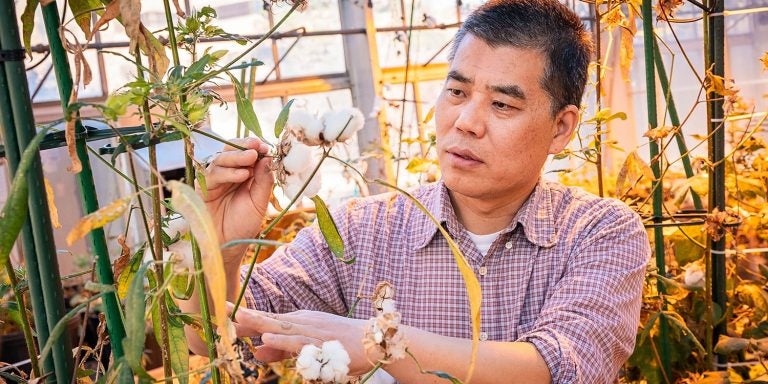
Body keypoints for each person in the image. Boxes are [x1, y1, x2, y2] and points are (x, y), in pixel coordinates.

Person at [183, 0, 650, 382]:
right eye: (457, 92)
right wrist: (218, 245)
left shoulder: (599, 232)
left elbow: (560, 368)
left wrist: (381, 343)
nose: (466, 122)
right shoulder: (360, 229)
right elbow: (213, 335)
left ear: (561, 127)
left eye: (502, 104)